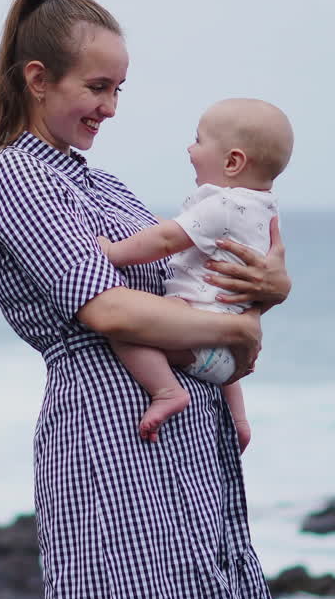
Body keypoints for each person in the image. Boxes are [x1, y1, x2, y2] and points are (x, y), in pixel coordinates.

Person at [0, 0, 290, 599]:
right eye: (97, 87)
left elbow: (201, 278)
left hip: (192, 447)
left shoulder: (107, 187)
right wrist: (236, 331)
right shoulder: (16, 176)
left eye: (118, 89)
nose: (111, 107)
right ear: (39, 79)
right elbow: (107, 308)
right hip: (116, 444)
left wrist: (270, 289)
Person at [96, 98, 294, 447]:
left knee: (128, 330)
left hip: (198, 334)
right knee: (219, 338)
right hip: (232, 356)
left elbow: (166, 238)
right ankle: (240, 421)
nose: (190, 148)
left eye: (199, 140)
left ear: (233, 161)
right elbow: (179, 234)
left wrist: (114, 251)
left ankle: (167, 391)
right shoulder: (263, 210)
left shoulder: (222, 206)